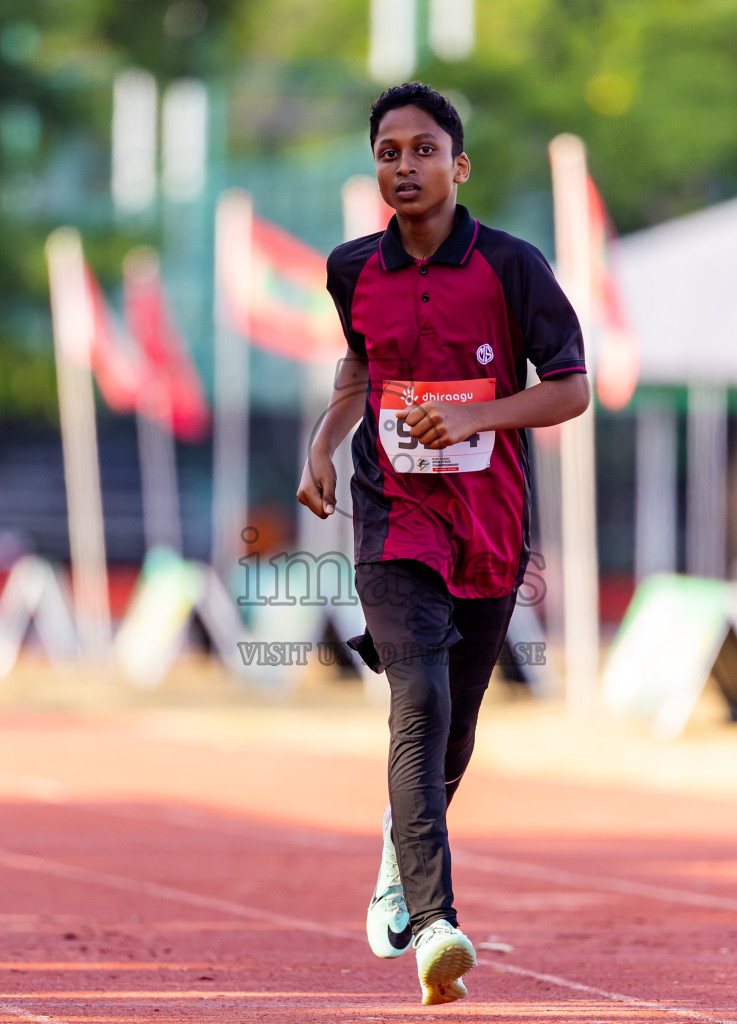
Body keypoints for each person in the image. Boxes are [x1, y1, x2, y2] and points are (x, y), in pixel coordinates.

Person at [296, 82, 589, 1005]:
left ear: (458, 166)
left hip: (491, 525)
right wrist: (324, 444)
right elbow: (358, 363)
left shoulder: (512, 268)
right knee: (415, 696)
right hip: (392, 522)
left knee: (455, 725)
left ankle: (400, 847)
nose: (406, 167)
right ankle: (434, 924)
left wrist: (479, 412)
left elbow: (573, 387)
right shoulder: (351, 269)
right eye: (389, 153)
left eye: (424, 151)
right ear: (374, 168)